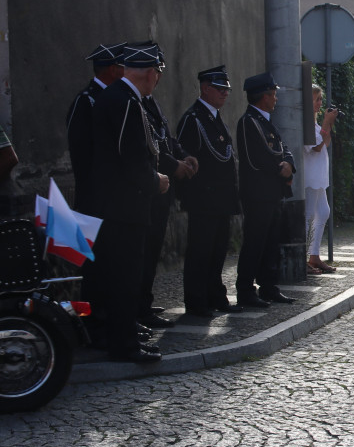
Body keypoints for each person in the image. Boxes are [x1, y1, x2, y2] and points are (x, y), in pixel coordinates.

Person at [91, 41, 170, 362]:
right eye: (158, 73)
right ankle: (124, 345)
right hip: (125, 207)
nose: (157, 79)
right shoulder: (124, 101)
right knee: (125, 278)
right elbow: (131, 158)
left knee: (119, 276)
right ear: (149, 73)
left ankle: (121, 339)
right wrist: (157, 181)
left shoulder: (115, 97)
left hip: (115, 204)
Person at [138, 49, 199, 329]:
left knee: (151, 251)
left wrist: (183, 155)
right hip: (147, 191)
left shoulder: (151, 103)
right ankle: (138, 307)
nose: (158, 76)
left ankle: (144, 302)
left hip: (161, 190)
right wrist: (174, 165)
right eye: (156, 71)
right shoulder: (134, 103)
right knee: (142, 252)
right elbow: (147, 149)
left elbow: (165, 137)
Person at [176, 65, 242, 317]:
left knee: (217, 252)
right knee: (200, 252)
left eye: (227, 89)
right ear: (205, 88)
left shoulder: (214, 119)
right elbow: (185, 156)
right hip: (203, 199)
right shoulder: (193, 119)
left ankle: (216, 295)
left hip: (220, 199)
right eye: (219, 88)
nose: (225, 93)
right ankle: (196, 300)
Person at [236, 72, 296, 307]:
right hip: (258, 194)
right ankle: (245, 289)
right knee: (254, 243)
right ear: (263, 96)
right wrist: (279, 168)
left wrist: (289, 164)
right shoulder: (248, 122)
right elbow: (255, 158)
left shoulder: (266, 122)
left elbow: (284, 147)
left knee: (271, 242)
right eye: (273, 95)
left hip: (273, 193)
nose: (276, 99)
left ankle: (269, 286)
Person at [66, 42, 124, 215]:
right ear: (113, 70)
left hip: (118, 196)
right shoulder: (87, 101)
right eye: (124, 67)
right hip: (98, 197)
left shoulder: (117, 99)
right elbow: (82, 152)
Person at [303, 84, 340, 275]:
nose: (319, 103)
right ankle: (304, 258)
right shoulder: (306, 122)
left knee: (323, 212)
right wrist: (327, 122)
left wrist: (328, 123)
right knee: (309, 215)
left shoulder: (316, 123)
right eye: (316, 99)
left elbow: (326, 142)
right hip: (309, 175)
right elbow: (316, 146)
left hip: (318, 175)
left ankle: (314, 255)